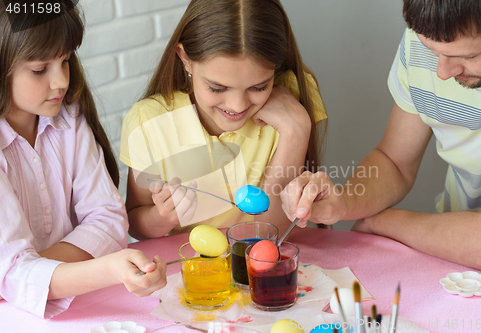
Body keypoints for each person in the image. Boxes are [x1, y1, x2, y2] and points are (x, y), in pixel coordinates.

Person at [281, 0, 481, 275]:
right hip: (457, 265)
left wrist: (382, 222)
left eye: (468, 57)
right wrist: (344, 202)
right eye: (432, 50)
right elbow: (395, 162)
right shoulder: (428, 39)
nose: (443, 73)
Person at [0, 2, 167, 319]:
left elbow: (109, 220)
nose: (61, 80)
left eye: (65, 61)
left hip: (72, 306)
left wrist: (29, 274)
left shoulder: (68, 117)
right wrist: (105, 267)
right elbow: (12, 276)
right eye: (40, 69)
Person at [120, 0, 327, 239]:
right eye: (217, 88)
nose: (237, 105)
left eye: (259, 87)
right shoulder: (148, 121)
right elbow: (134, 222)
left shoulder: (293, 98)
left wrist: (296, 131)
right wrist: (163, 216)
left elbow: (272, 235)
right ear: (185, 58)